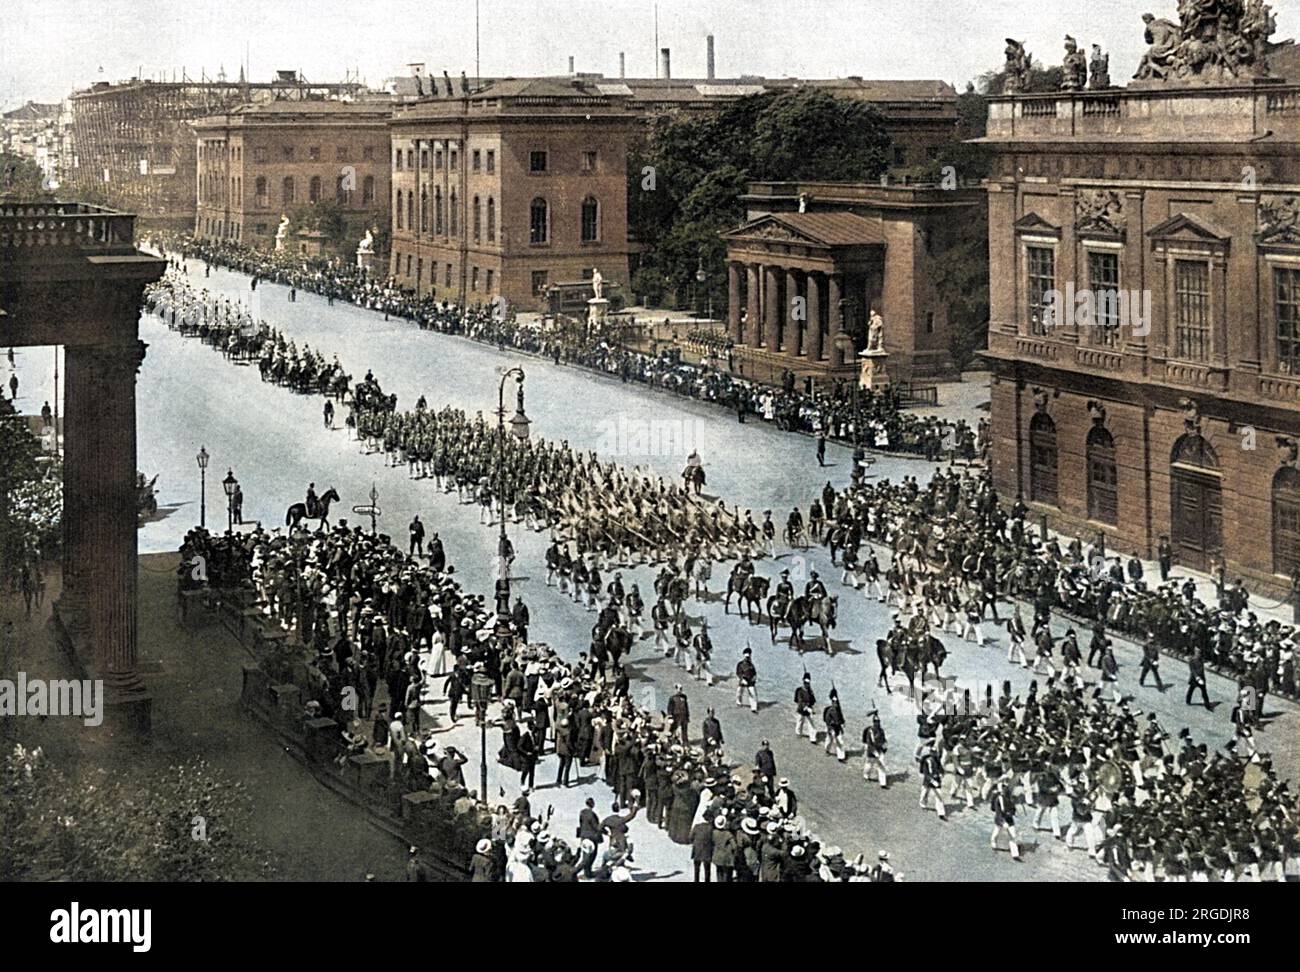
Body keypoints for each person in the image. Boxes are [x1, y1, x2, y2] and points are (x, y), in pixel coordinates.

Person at [823, 688, 846, 761]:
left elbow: (840, 718)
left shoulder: (838, 710)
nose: (835, 703)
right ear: (832, 702)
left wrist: (842, 724)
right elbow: (827, 721)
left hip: (838, 728)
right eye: (834, 702)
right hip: (832, 728)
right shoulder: (829, 711)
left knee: (840, 742)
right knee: (829, 741)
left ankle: (841, 757)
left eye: (836, 702)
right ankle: (827, 750)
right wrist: (831, 730)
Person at [735, 645, 758, 712]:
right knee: (739, 692)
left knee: (753, 694)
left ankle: (754, 707)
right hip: (743, 680)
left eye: (749, 657)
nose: (747, 658)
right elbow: (738, 672)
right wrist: (742, 679)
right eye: (746, 657)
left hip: (750, 681)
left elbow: (754, 672)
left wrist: (754, 677)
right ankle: (739, 702)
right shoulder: (740, 664)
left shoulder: (751, 664)